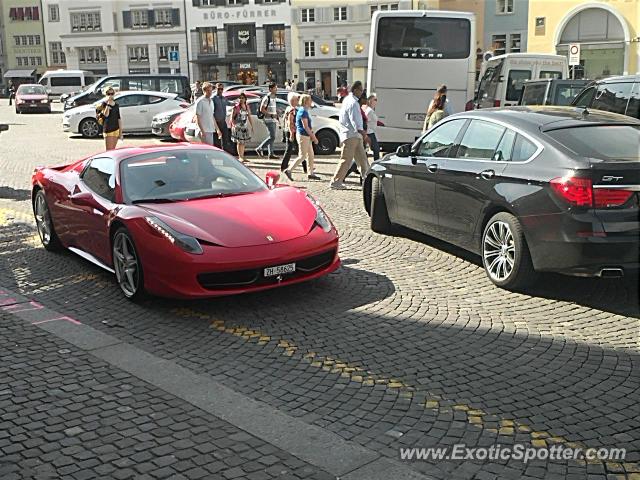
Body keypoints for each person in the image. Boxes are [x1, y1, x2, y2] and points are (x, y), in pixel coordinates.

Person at [330, 81, 370, 190]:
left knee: (362, 160)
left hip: (354, 135)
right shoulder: (353, 103)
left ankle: (367, 181)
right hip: (352, 134)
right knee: (346, 159)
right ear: (356, 90)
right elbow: (355, 120)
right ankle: (335, 181)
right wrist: (363, 132)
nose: (362, 92)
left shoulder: (347, 100)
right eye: (361, 90)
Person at [283, 94, 320, 181]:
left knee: (310, 154)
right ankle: (288, 170)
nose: (311, 102)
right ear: (306, 102)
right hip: (303, 136)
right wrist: (314, 137)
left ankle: (310, 173)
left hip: (305, 135)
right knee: (302, 156)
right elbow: (305, 127)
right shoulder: (303, 111)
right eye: (310, 100)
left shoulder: (303, 110)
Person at [280, 92, 307, 174]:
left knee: (297, 149)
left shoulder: (289, 108)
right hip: (292, 131)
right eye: (296, 100)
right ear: (293, 101)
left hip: (289, 131)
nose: (298, 101)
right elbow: (290, 122)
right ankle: (305, 167)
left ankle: (305, 167)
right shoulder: (292, 110)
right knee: (295, 149)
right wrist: (292, 133)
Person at [256, 82, 279, 159]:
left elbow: (272, 108)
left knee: (271, 136)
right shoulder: (267, 98)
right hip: (268, 119)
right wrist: (271, 115)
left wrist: (276, 113)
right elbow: (262, 109)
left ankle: (271, 153)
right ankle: (260, 148)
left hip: (273, 119)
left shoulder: (273, 97)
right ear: (270, 89)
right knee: (272, 137)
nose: (276, 89)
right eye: (275, 88)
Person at [95, 87, 123, 151]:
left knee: (113, 150)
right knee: (108, 151)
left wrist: (120, 133)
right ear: (105, 94)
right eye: (108, 93)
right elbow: (106, 114)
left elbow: (119, 118)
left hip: (116, 129)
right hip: (108, 129)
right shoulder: (103, 104)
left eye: (112, 93)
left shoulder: (116, 105)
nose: (110, 95)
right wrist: (108, 104)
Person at [230, 92, 253, 163]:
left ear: (245, 99)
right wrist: (234, 125)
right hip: (238, 126)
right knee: (239, 142)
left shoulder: (247, 106)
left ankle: (242, 156)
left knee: (243, 142)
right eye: (240, 98)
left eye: (242, 98)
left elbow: (249, 116)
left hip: (244, 126)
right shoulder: (236, 107)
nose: (241, 99)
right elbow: (232, 117)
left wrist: (252, 125)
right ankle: (240, 157)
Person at [212, 83, 231, 153]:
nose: (220, 90)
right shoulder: (213, 99)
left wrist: (238, 103)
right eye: (218, 89)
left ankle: (224, 154)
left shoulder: (224, 98)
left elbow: (230, 103)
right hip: (216, 123)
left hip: (223, 121)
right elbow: (211, 112)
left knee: (225, 139)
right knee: (217, 142)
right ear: (216, 89)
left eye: (221, 89)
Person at [363, 94, 381, 161]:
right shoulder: (369, 111)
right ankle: (376, 164)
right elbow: (365, 121)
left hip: (371, 132)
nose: (376, 101)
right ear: (370, 101)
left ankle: (358, 166)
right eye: (375, 100)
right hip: (369, 133)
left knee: (365, 151)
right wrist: (365, 134)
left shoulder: (371, 110)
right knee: (376, 149)